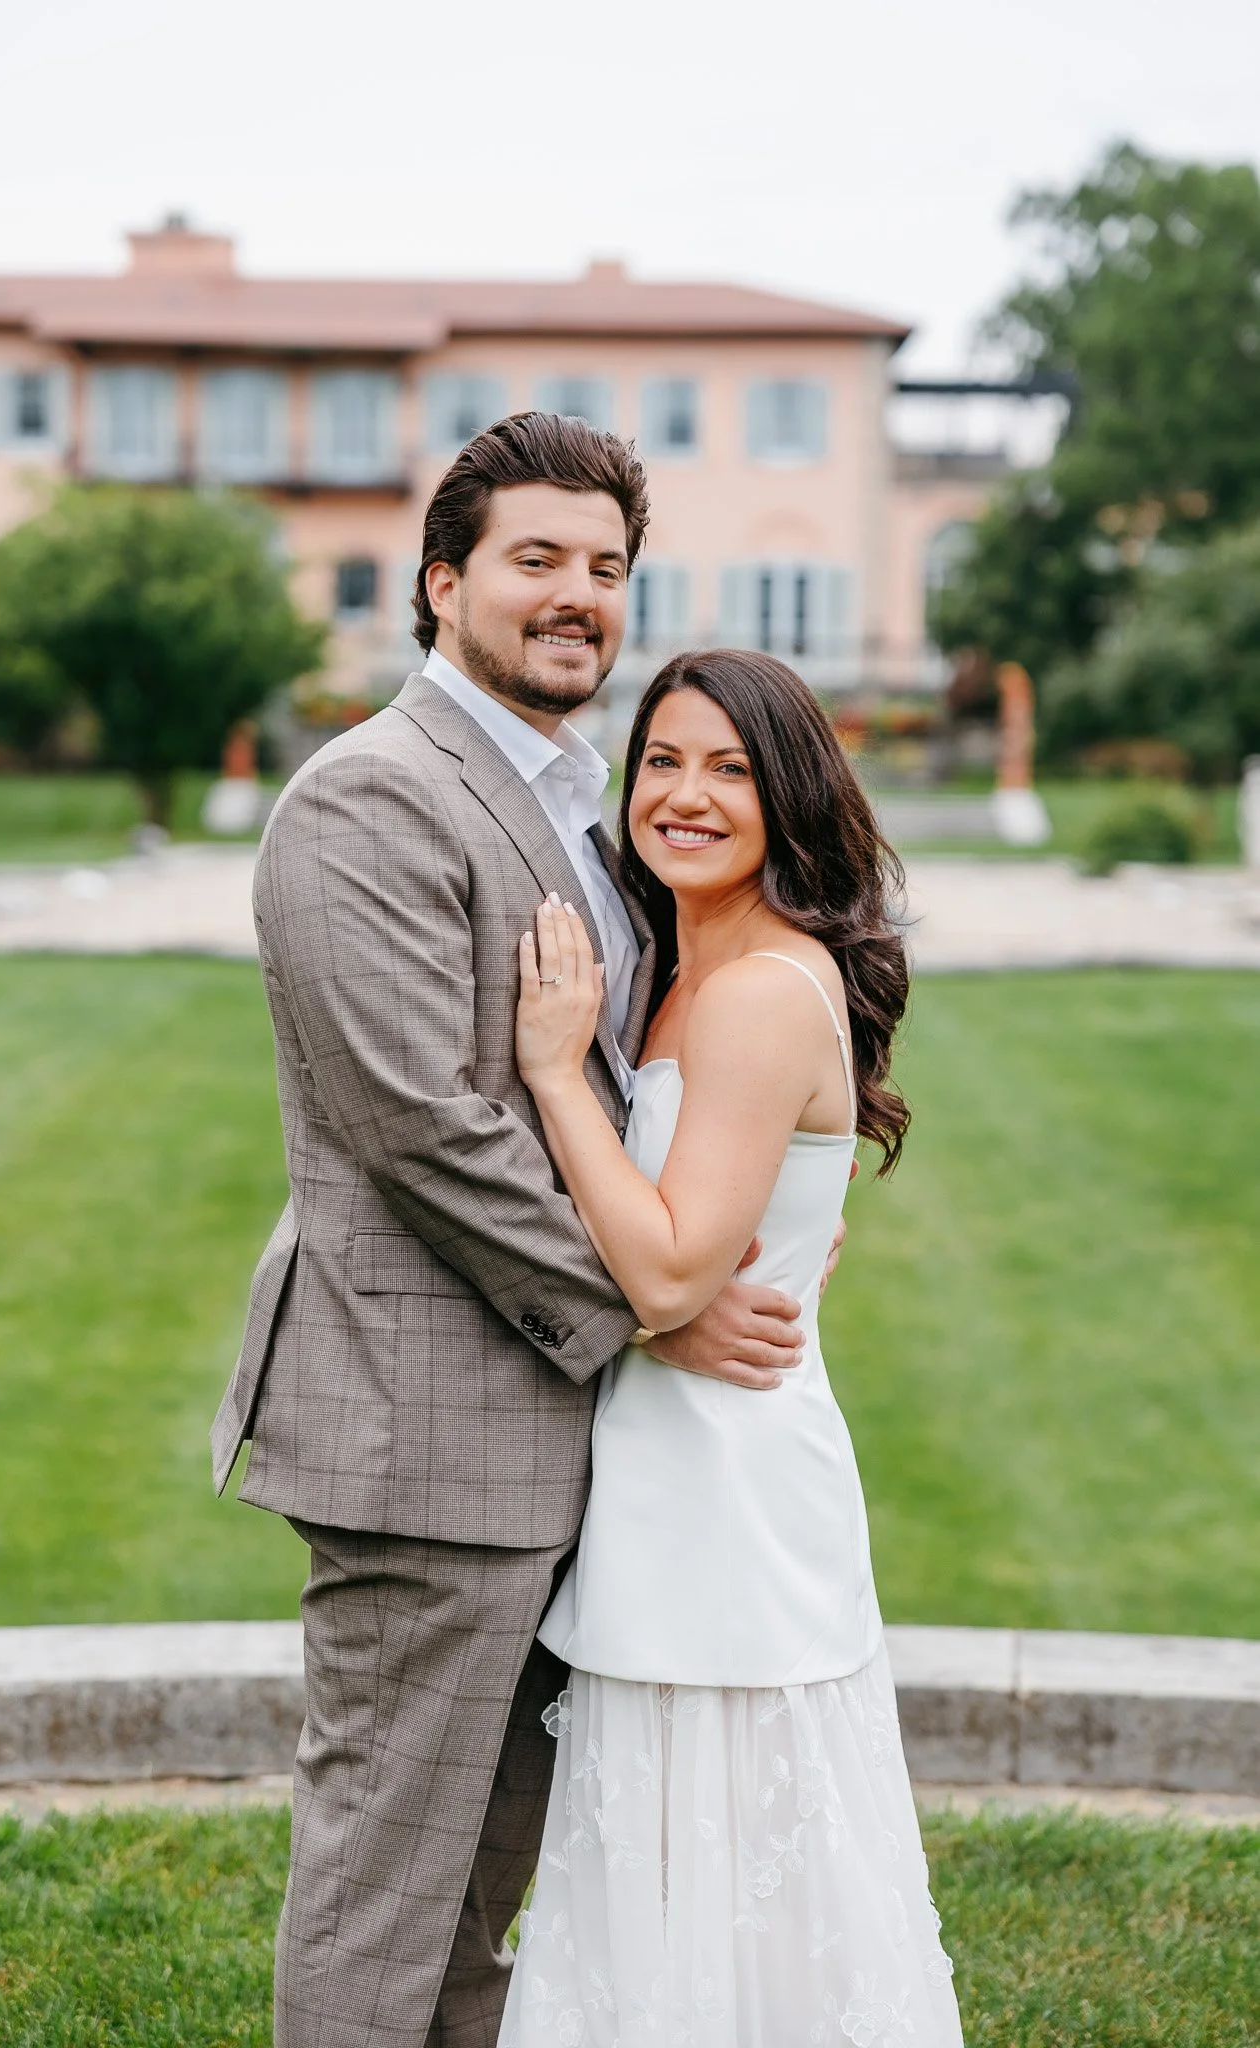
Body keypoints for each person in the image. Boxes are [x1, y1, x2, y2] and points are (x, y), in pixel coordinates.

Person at [209, 412, 846, 2048]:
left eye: (606, 568)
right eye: (536, 561)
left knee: (491, 1896)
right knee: (388, 1892)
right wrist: (655, 1308)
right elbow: (424, 1128)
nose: (577, 596)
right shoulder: (368, 803)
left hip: (584, 1446)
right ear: (443, 584)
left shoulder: (581, 799)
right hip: (427, 1438)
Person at [498, 651, 964, 2046]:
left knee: (740, 1880)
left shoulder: (760, 988)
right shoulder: (682, 969)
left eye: (730, 769)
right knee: (655, 1876)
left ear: (792, 798)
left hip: (731, 1496)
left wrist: (548, 1070)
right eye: (661, 760)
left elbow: (668, 1261)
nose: (685, 795)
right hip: (672, 1476)